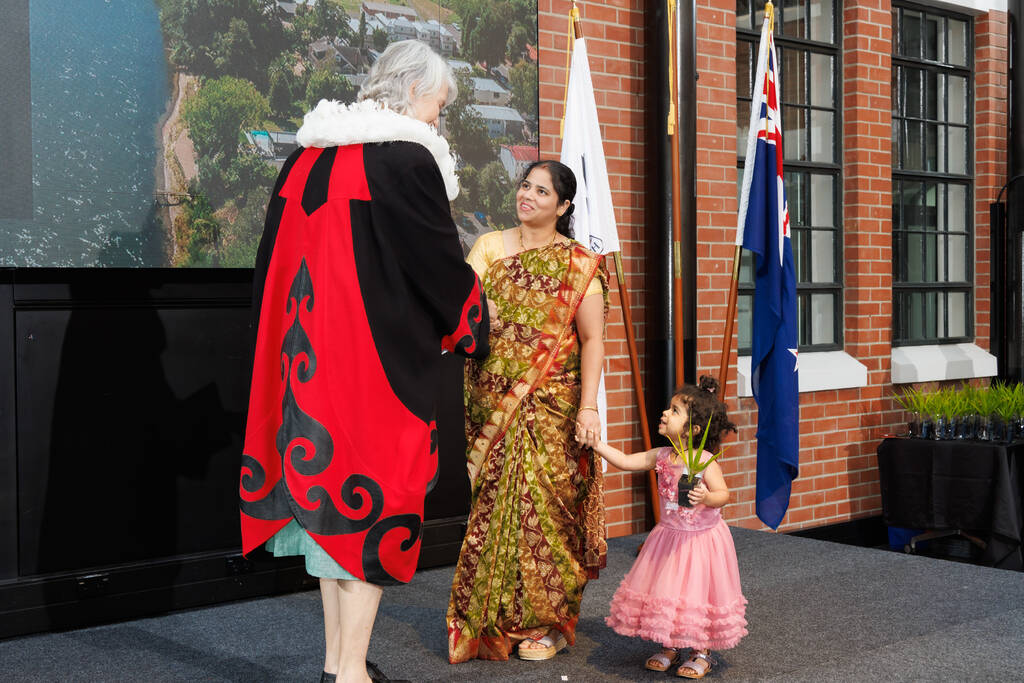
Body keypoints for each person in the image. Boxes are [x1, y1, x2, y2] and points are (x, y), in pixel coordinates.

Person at [239, 40, 489, 683]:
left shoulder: (303, 159)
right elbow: (436, 265)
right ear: (411, 93)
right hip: (371, 369)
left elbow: (267, 269)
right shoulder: (407, 160)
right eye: (438, 103)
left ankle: (337, 665)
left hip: (301, 367)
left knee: (327, 519)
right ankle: (349, 673)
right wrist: (472, 322)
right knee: (370, 513)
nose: (438, 117)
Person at [446, 160, 609, 663]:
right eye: (525, 185)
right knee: (493, 512)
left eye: (541, 191)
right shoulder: (489, 248)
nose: (528, 196)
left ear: (562, 207)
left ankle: (550, 624)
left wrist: (586, 409)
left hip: (552, 407)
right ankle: (490, 622)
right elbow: (460, 314)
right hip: (491, 401)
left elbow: (592, 339)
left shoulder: (579, 263)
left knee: (548, 514)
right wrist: (476, 313)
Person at [590, 375, 747, 679]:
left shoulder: (704, 461)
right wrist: (597, 444)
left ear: (694, 429)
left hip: (701, 542)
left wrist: (707, 496)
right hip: (669, 539)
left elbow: (724, 495)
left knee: (697, 595)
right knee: (668, 592)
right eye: (669, 408)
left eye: (674, 411)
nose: (665, 413)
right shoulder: (662, 457)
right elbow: (624, 460)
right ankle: (670, 644)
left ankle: (701, 651)